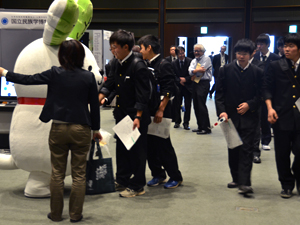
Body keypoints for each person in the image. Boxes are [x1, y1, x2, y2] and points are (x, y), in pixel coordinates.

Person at [0, 39, 102, 222]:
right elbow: (94, 107)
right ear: (81, 56)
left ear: (62, 56)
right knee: (79, 174)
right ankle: (75, 214)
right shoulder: (88, 77)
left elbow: (28, 79)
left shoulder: (55, 73)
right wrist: (96, 130)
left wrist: (4, 73)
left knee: (57, 173)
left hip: (58, 128)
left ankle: (55, 214)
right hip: (81, 129)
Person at [99, 30, 151, 198]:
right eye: (111, 47)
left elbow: (144, 94)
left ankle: (137, 185)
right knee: (122, 149)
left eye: (115, 47)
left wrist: (138, 116)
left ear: (126, 47)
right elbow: (111, 83)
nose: (113, 50)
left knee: (137, 151)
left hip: (136, 116)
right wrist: (101, 96)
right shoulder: (116, 63)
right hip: (121, 114)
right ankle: (122, 179)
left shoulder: (138, 65)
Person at [215, 39, 263, 195]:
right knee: (233, 148)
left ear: (251, 54)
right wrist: (222, 111)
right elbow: (219, 93)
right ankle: (236, 178)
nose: (241, 56)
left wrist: (250, 104)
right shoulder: (225, 70)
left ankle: (245, 182)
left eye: (244, 54)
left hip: (250, 117)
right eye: (238, 53)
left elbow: (261, 95)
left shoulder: (257, 72)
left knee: (247, 150)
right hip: (229, 117)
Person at [138, 34, 183, 189]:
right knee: (150, 145)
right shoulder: (145, 63)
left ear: (149, 48)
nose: (140, 51)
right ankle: (158, 174)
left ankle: (175, 176)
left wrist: (161, 109)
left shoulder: (164, 64)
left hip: (161, 112)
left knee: (163, 145)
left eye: (142, 48)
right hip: (148, 110)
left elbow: (170, 88)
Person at [263, 33, 300, 198]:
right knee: (282, 153)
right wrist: (270, 108)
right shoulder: (275, 66)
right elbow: (267, 88)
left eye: (291, 46)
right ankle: (286, 184)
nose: (287, 49)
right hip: (281, 115)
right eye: (285, 46)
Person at [253, 33, 280, 160]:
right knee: (256, 117)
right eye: (257, 44)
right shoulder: (255, 56)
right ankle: (256, 142)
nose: (259, 46)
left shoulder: (275, 57)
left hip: (270, 90)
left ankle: (266, 140)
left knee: (266, 115)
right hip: (256, 91)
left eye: (261, 44)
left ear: (268, 45)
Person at [188, 43, 212, 134]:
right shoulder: (193, 60)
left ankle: (206, 128)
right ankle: (200, 126)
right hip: (195, 84)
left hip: (203, 83)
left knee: (201, 105)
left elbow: (202, 70)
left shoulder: (207, 59)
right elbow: (190, 71)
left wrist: (194, 72)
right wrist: (195, 71)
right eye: (195, 51)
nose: (196, 52)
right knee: (196, 105)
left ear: (203, 51)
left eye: (198, 51)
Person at [172, 46, 193, 130]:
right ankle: (177, 122)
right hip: (178, 87)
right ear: (177, 54)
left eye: (183, 53)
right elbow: (173, 74)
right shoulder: (174, 63)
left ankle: (186, 123)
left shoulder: (190, 61)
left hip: (188, 86)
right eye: (180, 53)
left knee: (188, 105)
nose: (182, 55)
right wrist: (179, 81)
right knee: (177, 105)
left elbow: (192, 74)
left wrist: (186, 80)